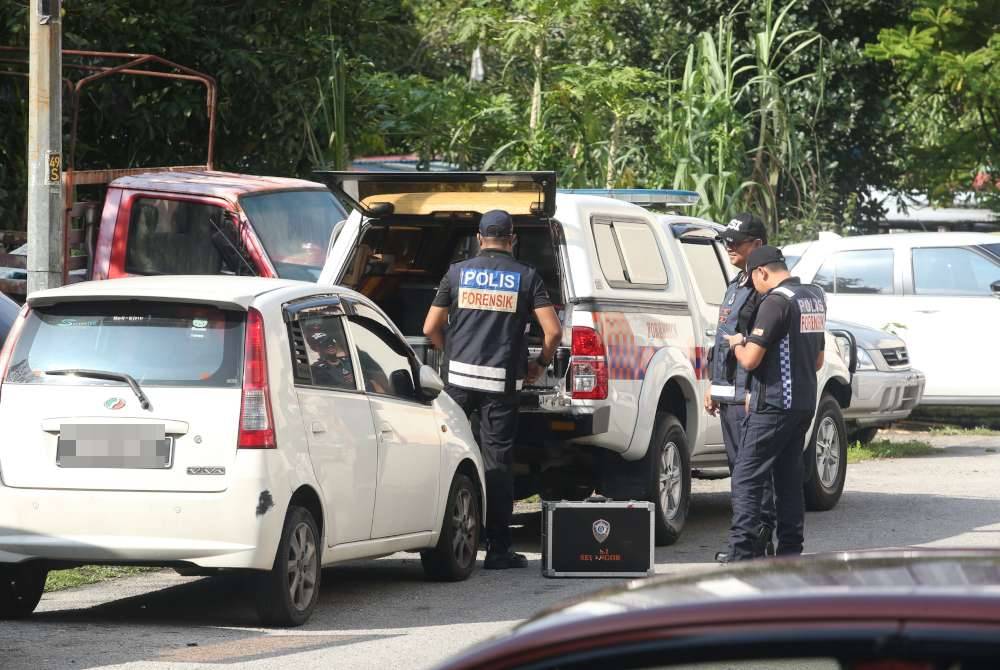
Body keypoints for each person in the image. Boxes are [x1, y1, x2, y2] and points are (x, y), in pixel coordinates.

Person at [423, 209, 562, 570]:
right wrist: (541, 364)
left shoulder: (457, 273)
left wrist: (447, 351)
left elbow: (429, 327)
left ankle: (440, 539)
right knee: (496, 463)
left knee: (447, 454)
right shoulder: (526, 277)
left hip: (459, 382)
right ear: (512, 239)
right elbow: (554, 331)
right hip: (501, 383)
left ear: (480, 238)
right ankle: (498, 549)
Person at [723, 245, 827, 561]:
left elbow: (752, 360)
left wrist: (737, 344)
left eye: (753, 281)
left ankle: (741, 553)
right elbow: (819, 359)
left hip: (774, 404)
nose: (754, 289)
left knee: (746, 476)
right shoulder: (813, 297)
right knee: (788, 478)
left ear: (761, 272)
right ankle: (790, 552)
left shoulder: (775, 302)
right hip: (804, 403)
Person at [704, 213, 777, 562]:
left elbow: (759, 348)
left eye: (738, 242)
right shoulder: (736, 285)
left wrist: (751, 391)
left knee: (752, 474)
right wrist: (712, 383)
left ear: (758, 245)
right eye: (727, 241)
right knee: (740, 472)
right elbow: (723, 341)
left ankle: (755, 541)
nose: (730, 247)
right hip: (728, 392)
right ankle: (751, 540)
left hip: (748, 395)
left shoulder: (764, 292)